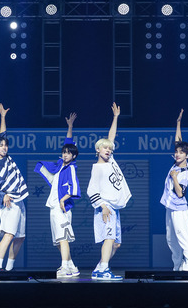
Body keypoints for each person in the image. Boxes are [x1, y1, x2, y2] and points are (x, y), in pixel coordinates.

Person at [87, 103, 131, 281]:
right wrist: (103, 206)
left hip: (114, 208)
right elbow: (91, 191)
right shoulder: (97, 168)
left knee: (116, 244)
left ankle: (100, 267)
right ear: (98, 150)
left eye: (110, 149)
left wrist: (115, 118)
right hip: (106, 208)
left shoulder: (111, 161)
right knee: (109, 238)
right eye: (105, 148)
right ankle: (103, 269)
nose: (109, 150)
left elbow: (110, 138)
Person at [34, 113, 81, 278]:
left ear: (74, 156)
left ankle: (64, 268)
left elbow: (75, 188)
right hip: (54, 206)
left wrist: (63, 199)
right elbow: (68, 141)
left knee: (63, 239)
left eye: (69, 153)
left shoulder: (72, 168)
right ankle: (72, 267)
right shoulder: (61, 164)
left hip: (63, 208)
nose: (65, 154)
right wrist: (70, 127)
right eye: (64, 152)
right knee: (59, 241)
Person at [0, 103, 29, 271]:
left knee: (20, 237)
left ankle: (9, 268)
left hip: (19, 201)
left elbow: (2, 134)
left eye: (6, 145)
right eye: (1, 145)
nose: (4, 147)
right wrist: (2, 196)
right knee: (9, 235)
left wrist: (3, 117)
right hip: (10, 203)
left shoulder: (6, 157)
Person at [160, 109, 188, 271]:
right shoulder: (177, 164)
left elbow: (180, 193)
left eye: (181, 153)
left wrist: (174, 178)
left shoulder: (184, 173)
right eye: (176, 152)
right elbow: (178, 141)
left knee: (184, 238)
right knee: (171, 239)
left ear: (187, 156)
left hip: (179, 209)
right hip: (170, 207)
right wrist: (178, 123)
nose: (177, 153)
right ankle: (177, 267)